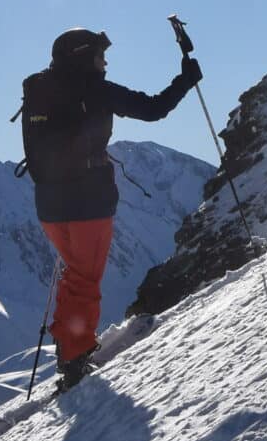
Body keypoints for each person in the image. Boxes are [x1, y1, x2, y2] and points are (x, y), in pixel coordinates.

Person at [20, 28, 200, 385]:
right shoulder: (94, 89)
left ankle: (69, 347)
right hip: (87, 201)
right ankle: (74, 359)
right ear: (83, 57)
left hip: (50, 205)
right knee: (85, 279)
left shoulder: (40, 89)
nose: (105, 62)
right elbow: (153, 109)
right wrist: (186, 80)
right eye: (100, 55)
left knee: (75, 273)